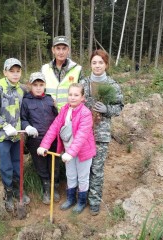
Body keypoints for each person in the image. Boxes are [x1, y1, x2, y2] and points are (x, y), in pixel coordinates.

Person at [37, 83, 96, 214]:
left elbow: (81, 136)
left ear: (82, 97)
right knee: (70, 175)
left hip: (83, 152)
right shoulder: (64, 110)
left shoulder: (85, 113)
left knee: (82, 177)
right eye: (70, 94)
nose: (73, 97)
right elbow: (54, 127)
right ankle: (70, 199)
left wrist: (70, 153)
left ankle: (81, 201)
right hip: (68, 152)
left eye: (76, 95)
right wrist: (44, 145)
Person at [80, 49, 124, 216]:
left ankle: (94, 201)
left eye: (101, 62)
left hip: (101, 135)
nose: (97, 65)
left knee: (97, 169)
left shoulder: (112, 85)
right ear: (90, 64)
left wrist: (107, 109)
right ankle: (81, 198)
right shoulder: (83, 83)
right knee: (83, 169)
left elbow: (119, 107)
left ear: (106, 65)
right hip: (83, 134)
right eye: (94, 62)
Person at [0, 58, 30, 212]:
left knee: (17, 162)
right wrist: (4, 126)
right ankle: (8, 193)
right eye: (12, 71)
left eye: (18, 71)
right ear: (5, 72)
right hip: (2, 136)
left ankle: (18, 189)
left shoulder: (20, 89)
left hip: (17, 135)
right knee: (6, 165)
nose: (15, 74)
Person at [20, 72, 60, 205]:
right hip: (36, 140)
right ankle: (46, 189)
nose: (38, 88)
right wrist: (27, 127)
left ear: (45, 86)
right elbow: (23, 119)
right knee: (41, 165)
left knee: (54, 164)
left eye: (41, 85)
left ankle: (54, 187)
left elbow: (57, 118)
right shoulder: (26, 101)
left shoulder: (49, 100)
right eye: (35, 85)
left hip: (53, 139)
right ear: (30, 86)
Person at [41, 36, 83, 111]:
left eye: (64, 48)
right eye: (58, 48)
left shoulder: (77, 69)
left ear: (68, 50)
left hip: (70, 115)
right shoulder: (44, 69)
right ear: (53, 50)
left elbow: (83, 95)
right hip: (49, 114)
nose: (61, 52)